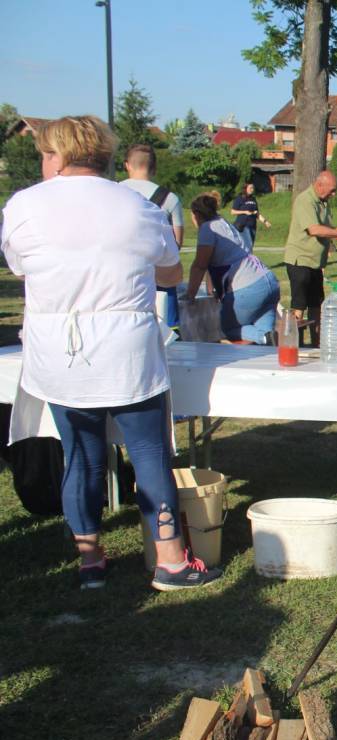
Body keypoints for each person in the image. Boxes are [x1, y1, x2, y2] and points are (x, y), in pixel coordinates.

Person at [0, 115, 223, 591]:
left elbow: (21, 266)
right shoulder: (139, 205)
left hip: (59, 349)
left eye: (44, 154)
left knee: (80, 454)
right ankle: (171, 560)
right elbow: (168, 274)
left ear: (58, 157)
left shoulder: (24, 205)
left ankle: (90, 558)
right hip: (127, 348)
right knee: (148, 452)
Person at [183, 191, 281, 344]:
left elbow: (200, 265)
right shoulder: (224, 223)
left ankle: (263, 337)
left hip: (248, 287)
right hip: (269, 281)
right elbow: (213, 263)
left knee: (226, 329)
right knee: (265, 339)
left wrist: (189, 295)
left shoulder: (207, 228)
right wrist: (213, 290)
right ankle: (267, 337)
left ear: (196, 214)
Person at [121, 143, 185, 328]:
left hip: (122, 276)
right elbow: (177, 242)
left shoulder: (113, 192)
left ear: (127, 165)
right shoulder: (169, 199)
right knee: (168, 324)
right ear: (154, 167)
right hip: (158, 274)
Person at [282, 170, 337, 345]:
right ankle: (295, 343)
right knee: (299, 304)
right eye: (331, 190)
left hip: (315, 263)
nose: (333, 194)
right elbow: (314, 229)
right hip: (300, 260)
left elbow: (326, 227)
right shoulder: (305, 200)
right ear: (319, 185)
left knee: (317, 304)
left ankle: (317, 343)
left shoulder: (323, 202)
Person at [230, 182, 271, 250]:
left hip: (252, 226)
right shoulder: (240, 198)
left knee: (250, 246)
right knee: (247, 246)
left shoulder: (253, 199)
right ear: (245, 188)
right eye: (250, 188)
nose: (252, 189)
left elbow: (257, 214)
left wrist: (265, 222)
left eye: (253, 188)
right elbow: (232, 212)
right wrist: (245, 212)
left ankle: (248, 259)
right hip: (243, 226)